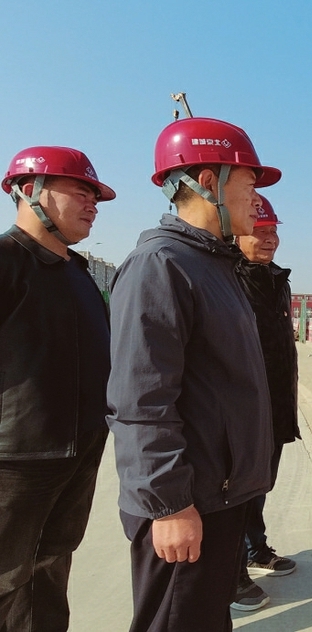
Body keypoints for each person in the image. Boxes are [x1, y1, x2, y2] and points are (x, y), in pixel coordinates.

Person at [106, 116, 281, 631]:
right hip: (187, 505)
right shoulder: (161, 265)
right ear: (208, 182)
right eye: (249, 183)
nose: (257, 199)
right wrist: (169, 505)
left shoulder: (215, 266)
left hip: (217, 496)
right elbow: (141, 400)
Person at [0, 146, 115, 631]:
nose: (92, 205)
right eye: (80, 192)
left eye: (95, 197)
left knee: (52, 566)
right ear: (30, 191)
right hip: (18, 461)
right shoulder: (7, 261)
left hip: (79, 452)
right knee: (7, 579)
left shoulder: (79, 273)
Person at [231, 195, 300, 611]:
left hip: (274, 404)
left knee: (260, 487)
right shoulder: (227, 277)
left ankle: (255, 548)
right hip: (241, 411)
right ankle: (231, 574)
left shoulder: (277, 279)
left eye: (273, 231)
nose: (270, 239)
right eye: (260, 231)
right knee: (236, 493)